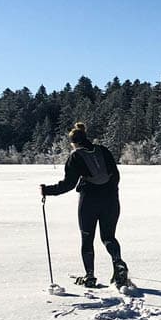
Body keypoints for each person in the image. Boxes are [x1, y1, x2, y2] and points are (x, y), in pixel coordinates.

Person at [40, 122, 128, 289]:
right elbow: (116, 175)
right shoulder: (103, 150)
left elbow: (68, 184)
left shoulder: (75, 156)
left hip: (89, 202)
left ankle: (90, 276)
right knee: (108, 237)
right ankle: (118, 264)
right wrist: (109, 191)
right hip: (111, 200)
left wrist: (47, 190)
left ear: (73, 142)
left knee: (87, 238)